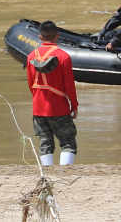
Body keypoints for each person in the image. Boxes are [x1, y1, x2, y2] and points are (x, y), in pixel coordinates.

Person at [26, 21, 79, 166]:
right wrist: (74, 105)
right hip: (59, 107)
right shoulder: (64, 57)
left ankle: (47, 173)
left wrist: (38, 99)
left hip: (38, 107)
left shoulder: (31, 56)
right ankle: (65, 171)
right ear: (58, 35)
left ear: (40, 37)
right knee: (68, 141)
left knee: (45, 141)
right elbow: (69, 85)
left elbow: (31, 85)